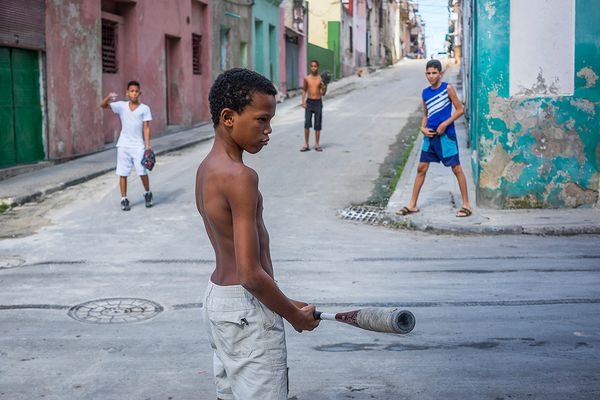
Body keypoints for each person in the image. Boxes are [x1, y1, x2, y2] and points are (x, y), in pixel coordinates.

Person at [196, 68, 320, 400]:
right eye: (261, 120)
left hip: (218, 301)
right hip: (245, 308)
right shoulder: (241, 177)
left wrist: (284, 303)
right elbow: (250, 274)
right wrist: (294, 317)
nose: (268, 130)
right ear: (228, 118)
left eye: (270, 121)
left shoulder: (206, 169)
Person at [397, 59, 473, 218]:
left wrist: (445, 124)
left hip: (446, 136)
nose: (431, 76)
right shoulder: (425, 93)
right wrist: (422, 128)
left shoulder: (447, 88)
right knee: (421, 168)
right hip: (429, 137)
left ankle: (466, 205)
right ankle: (412, 205)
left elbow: (460, 110)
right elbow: (426, 115)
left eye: (434, 73)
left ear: (440, 73)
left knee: (456, 168)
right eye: (428, 73)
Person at [100, 80, 153, 211]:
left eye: (136, 91)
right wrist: (108, 97)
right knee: (123, 173)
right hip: (123, 145)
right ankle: (124, 199)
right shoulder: (121, 106)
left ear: (140, 93)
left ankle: (147, 193)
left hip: (138, 146)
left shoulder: (144, 109)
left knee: (142, 171)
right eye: (131, 91)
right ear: (127, 93)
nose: (134, 93)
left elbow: (146, 128)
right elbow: (103, 105)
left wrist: (147, 146)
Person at [300, 60, 327, 152]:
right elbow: (304, 90)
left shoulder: (320, 79)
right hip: (309, 103)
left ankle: (317, 144)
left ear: (318, 67)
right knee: (307, 123)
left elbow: (323, 93)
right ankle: (306, 144)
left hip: (318, 103)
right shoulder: (307, 78)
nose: (313, 68)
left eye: (315, 66)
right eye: (312, 66)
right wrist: (303, 101)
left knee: (317, 124)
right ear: (310, 67)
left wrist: (324, 87)